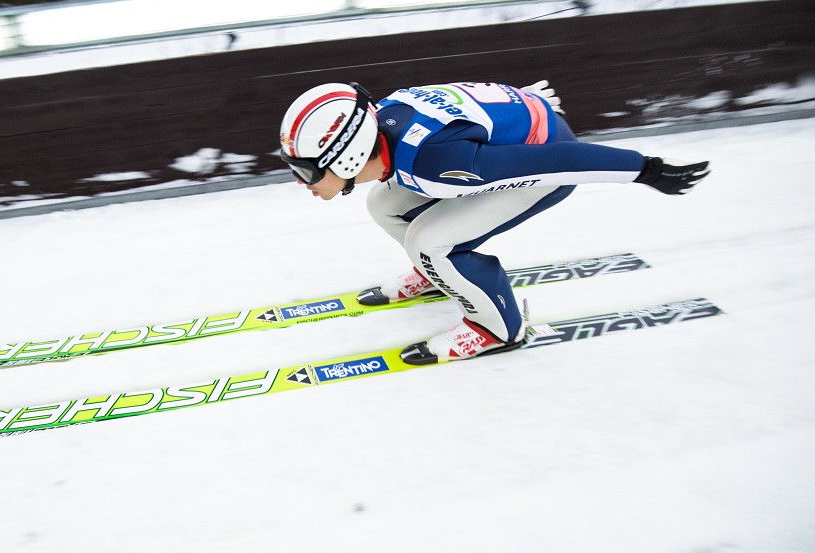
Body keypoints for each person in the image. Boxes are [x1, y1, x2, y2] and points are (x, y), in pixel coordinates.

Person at [278, 81, 710, 365]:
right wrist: (524, 102)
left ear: (349, 155)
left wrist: (644, 169)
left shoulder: (437, 163)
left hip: (543, 162)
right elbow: (461, 101)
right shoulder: (386, 117)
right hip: (503, 138)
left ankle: (498, 328)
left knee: (430, 240)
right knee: (383, 205)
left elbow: (559, 160)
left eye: (309, 172)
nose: (305, 183)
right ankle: (438, 274)